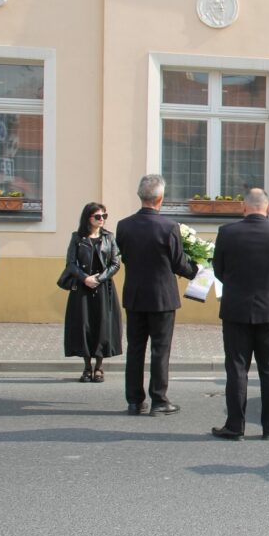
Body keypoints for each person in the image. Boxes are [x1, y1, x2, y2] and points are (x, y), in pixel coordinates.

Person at [210, 189, 269, 441]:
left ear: (243, 207)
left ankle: (235, 427)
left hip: (236, 310)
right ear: (268, 208)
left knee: (237, 369)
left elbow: (219, 270)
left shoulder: (227, 232)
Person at [115, 175, 199, 416]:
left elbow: (125, 256)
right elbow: (178, 263)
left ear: (140, 195)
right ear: (160, 198)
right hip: (162, 297)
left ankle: (134, 400)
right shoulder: (169, 227)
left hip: (135, 294)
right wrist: (196, 270)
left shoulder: (124, 225)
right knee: (160, 350)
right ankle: (159, 399)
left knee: (135, 348)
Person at [63, 202, 122, 383]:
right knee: (84, 325)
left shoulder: (109, 237)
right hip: (82, 288)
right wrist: (85, 278)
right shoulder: (77, 238)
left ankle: (99, 367)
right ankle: (87, 367)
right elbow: (70, 263)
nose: (102, 219)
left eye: (104, 216)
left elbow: (115, 263)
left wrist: (99, 278)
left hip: (103, 288)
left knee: (102, 325)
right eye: (98, 216)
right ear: (88, 218)